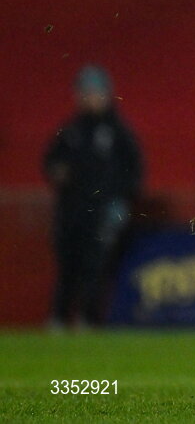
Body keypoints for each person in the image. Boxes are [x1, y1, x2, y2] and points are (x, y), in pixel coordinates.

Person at [43, 65, 143, 329]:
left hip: (102, 211)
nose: (90, 98)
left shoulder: (118, 132)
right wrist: (57, 172)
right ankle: (59, 318)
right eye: (85, 93)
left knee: (96, 268)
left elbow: (134, 171)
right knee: (67, 266)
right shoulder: (71, 130)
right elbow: (50, 162)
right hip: (71, 211)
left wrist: (120, 203)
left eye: (96, 92)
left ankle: (89, 319)